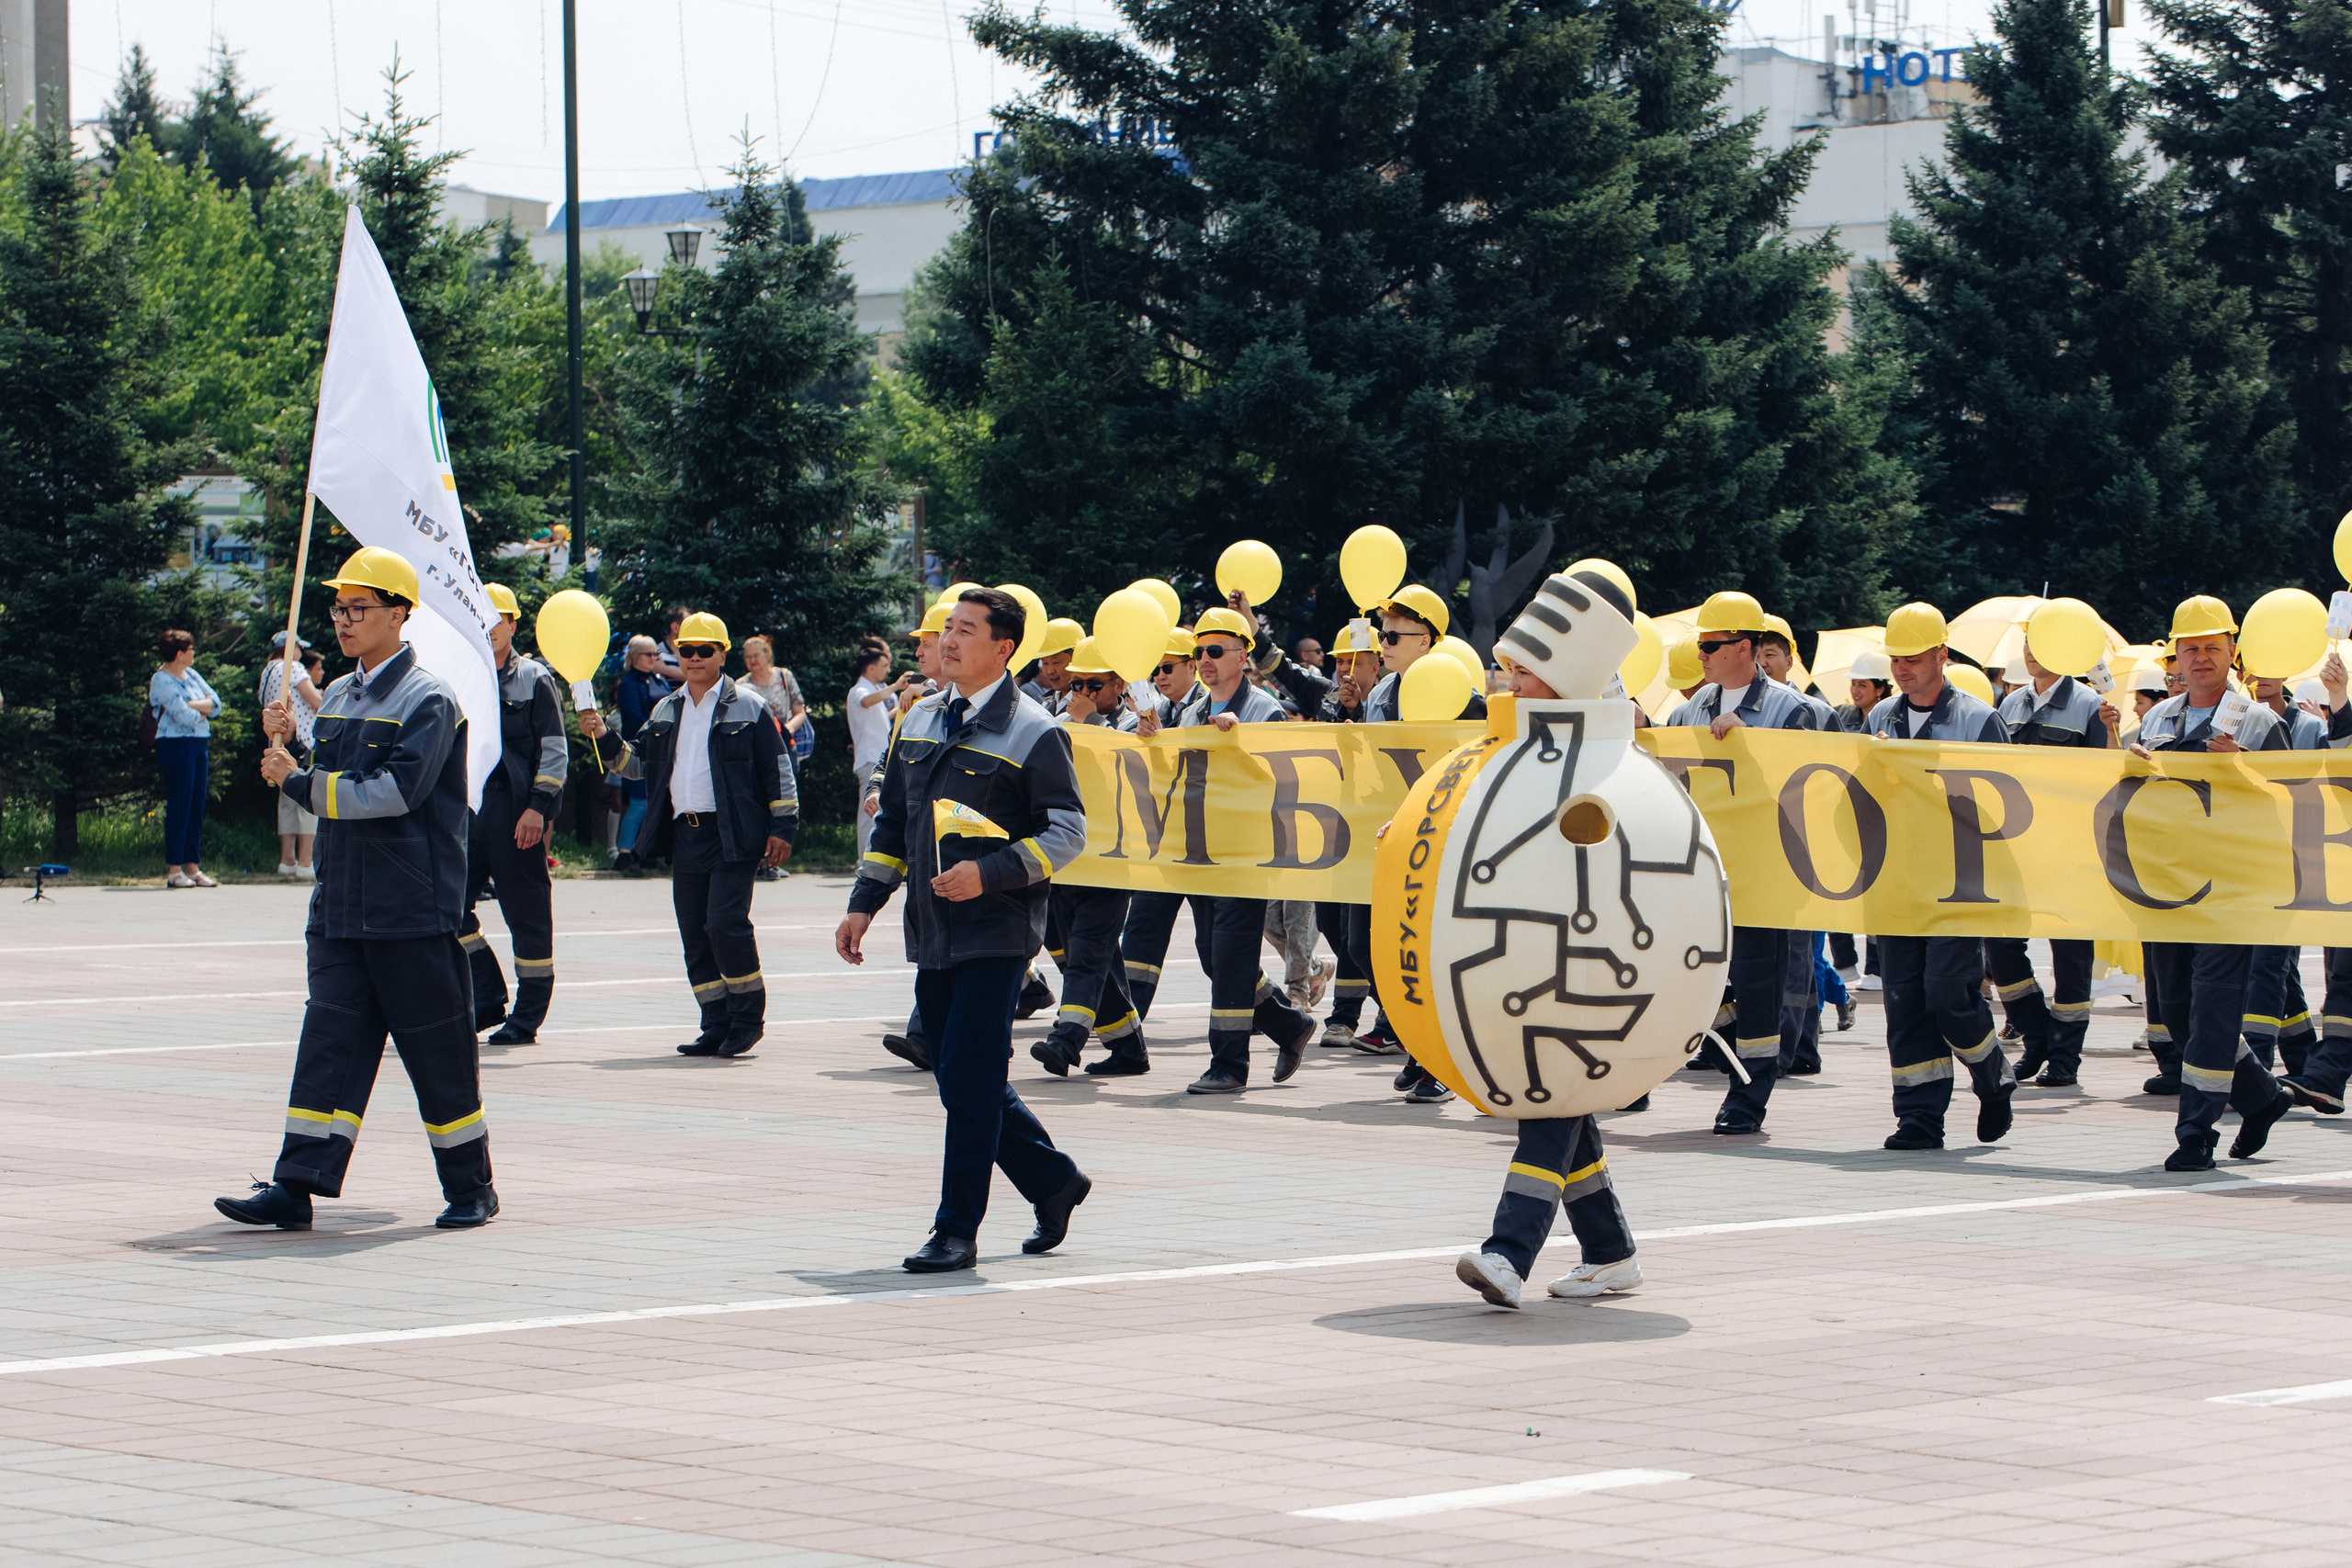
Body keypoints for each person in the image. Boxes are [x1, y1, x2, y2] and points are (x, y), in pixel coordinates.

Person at [216, 546, 496, 1232]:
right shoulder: (339, 694)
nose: (343, 619)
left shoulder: (429, 699)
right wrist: (292, 746)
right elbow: (328, 776)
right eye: (339, 607)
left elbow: (392, 792)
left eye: (358, 607)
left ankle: (472, 1187)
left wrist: (296, 779)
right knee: (328, 1048)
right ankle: (296, 1186)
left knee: (437, 1053)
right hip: (341, 907)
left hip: (410, 910)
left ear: (399, 614)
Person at [837, 588, 1092, 1272]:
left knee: (971, 1079)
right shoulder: (919, 717)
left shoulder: (1035, 730)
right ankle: (1053, 1180)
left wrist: (991, 873)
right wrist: (865, 901)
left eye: (966, 630)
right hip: (933, 929)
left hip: (998, 930)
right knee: (958, 1078)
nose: (947, 641)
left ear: (1003, 648)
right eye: (947, 628)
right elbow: (894, 822)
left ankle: (956, 1230)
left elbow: (1067, 832)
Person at [1455, 598, 1650, 1308]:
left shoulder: (1605, 757)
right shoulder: (1532, 745)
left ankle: (1509, 1253)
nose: (1509, 685)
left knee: (1551, 1096)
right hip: (1541, 951)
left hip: (1588, 955)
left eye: (1523, 673)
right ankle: (1610, 1252)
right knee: (1564, 1100)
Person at [580, 612, 797, 1058]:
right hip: (685, 835)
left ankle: (746, 1021)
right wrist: (603, 733)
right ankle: (715, 1023)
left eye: (704, 650)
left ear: (722, 654)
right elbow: (635, 764)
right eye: (686, 650)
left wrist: (783, 827)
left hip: (734, 835)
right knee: (694, 933)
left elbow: (778, 770)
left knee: (725, 925)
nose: (694, 658)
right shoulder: (666, 708)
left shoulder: (750, 706)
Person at [2130, 596, 2295, 1170]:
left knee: (2213, 1011)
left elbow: (2288, 806)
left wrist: (2242, 770)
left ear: (2232, 653)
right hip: (2169, 888)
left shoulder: (2260, 722)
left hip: (2230, 890)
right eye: (2191, 648)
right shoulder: (2156, 720)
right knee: (2176, 1010)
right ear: (2175, 656)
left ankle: (2195, 1133)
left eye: (2212, 648)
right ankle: (2263, 1096)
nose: (2201, 657)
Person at [1861, 603, 2019, 1152]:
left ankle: (1992, 1075)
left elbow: (2006, 803)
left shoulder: (1979, 719)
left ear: (1941, 656)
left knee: (1948, 991)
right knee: (1904, 1000)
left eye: (1913, 658)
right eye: (1895, 659)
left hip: (1960, 881)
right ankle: (1920, 1119)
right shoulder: (1880, 719)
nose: (1901, 668)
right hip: (1898, 881)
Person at [1664, 592, 1820, 1135]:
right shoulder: (1689, 711)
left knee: (1757, 987)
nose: (1701, 655)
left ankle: (1749, 1097)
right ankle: (1742, 1066)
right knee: (1686, 976)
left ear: (1744, 647)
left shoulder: (1791, 710)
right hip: (1702, 874)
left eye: (1711, 645)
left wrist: (1753, 748)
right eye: (1701, 645)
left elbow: (1809, 791)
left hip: (1763, 875)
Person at [1986, 635, 2118, 1089]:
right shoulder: (2009, 705)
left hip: (2070, 847)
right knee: (2000, 947)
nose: (2032, 651)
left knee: (2071, 957)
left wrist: (2113, 731)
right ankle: (2037, 1034)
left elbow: (2106, 777)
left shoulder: (2090, 704)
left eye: (2043, 641)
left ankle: (2065, 1056)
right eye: (2028, 642)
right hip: (2015, 846)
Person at [457, 581, 569, 1047]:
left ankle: (527, 1018)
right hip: (468, 809)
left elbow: (554, 750)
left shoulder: (534, 678)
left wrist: (537, 809)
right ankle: (486, 996)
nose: (488, 627)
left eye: (496, 619)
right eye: (480, 619)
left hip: (516, 811)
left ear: (512, 625)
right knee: (448, 907)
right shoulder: (460, 675)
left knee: (527, 917)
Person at [1033, 637, 1150, 1077]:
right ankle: (1127, 1047)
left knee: (1086, 953)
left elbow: (1135, 770)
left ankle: (1067, 1039)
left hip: (1112, 863)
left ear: (1118, 684)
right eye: (1076, 684)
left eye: (1093, 685)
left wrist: (1088, 723)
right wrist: (1073, 721)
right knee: (1089, 956)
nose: (1082, 692)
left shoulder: (1134, 724)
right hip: (1066, 860)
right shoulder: (1060, 722)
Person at [1311, 619, 1384, 1044]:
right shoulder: (1326, 700)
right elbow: (1280, 669)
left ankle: (1351, 1016)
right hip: (1333, 826)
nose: (1344, 669)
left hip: (1374, 829)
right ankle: (1378, 1005)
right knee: (1331, 924)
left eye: (1354, 661)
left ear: (1377, 665)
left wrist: (1359, 712)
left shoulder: (1394, 702)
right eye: (1339, 661)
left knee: (1360, 934)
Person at [150, 629, 222, 888]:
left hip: (199, 743)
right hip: (175, 744)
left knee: (196, 806)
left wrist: (192, 704)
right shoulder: (161, 680)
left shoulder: (191, 674)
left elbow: (216, 703)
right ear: (180, 654)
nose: (194, 653)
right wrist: (200, 708)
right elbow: (185, 716)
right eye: (191, 649)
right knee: (180, 805)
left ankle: (192, 867)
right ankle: (174, 870)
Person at [741, 634, 808, 880]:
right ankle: (760, 860)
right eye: (747, 657)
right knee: (758, 803)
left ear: (767, 655)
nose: (752, 661)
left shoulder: (784, 676)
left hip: (783, 745)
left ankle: (775, 860)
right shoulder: (740, 685)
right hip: (754, 751)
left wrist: (788, 728)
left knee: (782, 801)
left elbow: (800, 711)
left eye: (756, 656)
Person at [259, 634, 324, 878]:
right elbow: (315, 701)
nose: (300, 652)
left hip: (279, 740)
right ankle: (306, 862)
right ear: (290, 648)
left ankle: (287, 860)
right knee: (308, 796)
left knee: (287, 799)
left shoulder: (267, 672)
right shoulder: (293, 667)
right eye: (298, 647)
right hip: (302, 738)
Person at [611, 637, 673, 873]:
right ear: (635, 656)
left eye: (656, 653)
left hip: (663, 750)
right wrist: (661, 731)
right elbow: (634, 717)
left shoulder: (659, 679)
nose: (653, 658)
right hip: (640, 748)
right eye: (648, 654)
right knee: (639, 802)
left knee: (656, 803)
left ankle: (646, 850)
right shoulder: (628, 684)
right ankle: (624, 854)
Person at [848, 637, 914, 860]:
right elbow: (865, 701)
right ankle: (863, 861)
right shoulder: (860, 689)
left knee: (878, 812)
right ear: (871, 668)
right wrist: (896, 687)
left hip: (877, 760)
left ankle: (875, 858)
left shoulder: (874, 690)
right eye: (884, 666)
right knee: (868, 813)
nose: (888, 670)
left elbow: (882, 716)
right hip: (869, 760)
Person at [1023, 617, 1084, 713]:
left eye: (1056, 662)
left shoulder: (1091, 706)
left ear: (1076, 659)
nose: (1050, 671)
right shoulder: (1046, 703)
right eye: (1045, 663)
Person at [1835, 651, 1892, 735]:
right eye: (1853, 683)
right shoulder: (1840, 713)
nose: (1855, 691)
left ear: (1880, 689)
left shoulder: (1892, 721)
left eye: (1862, 685)